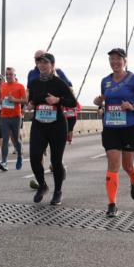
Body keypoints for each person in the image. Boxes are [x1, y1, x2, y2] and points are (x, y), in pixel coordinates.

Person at [92, 47, 134, 218]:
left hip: (129, 128)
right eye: (112, 59)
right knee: (113, 164)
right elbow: (103, 101)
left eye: (118, 59)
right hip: (110, 128)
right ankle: (112, 204)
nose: (115, 62)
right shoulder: (105, 81)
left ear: (125, 61)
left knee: (127, 165)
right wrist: (98, 101)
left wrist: (133, 106)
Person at [26, 52, 76, 205]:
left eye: (45, 62)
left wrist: (57, 100)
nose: (42, 65)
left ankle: (58, 191)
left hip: (57, 126)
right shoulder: (34, 83)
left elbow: (72, 102)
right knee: (34, 157)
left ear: (52, 65)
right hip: (39, 125)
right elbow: (31, 100)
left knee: (56, 161)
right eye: (40, 62)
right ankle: (42, 185)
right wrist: (30, 104)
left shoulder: (59, 83)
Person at [0, 67, 26, 171]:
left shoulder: (20, 86)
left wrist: (14, 100)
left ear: (14, 75)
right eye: (7, 74)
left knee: (16, 139)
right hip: (4, 116)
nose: (8, 76)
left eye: (10, 74)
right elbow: (1, 98)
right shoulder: (2, 86)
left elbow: (25, 100)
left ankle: (20, 156)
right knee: (5, 139)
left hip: (16, 116)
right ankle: (4, 162)